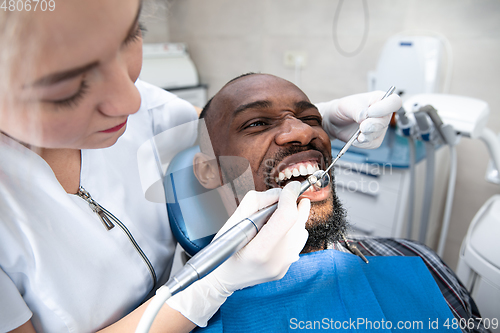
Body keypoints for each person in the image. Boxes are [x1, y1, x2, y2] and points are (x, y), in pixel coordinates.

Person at [0, 1, 401, 332]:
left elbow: (218, 130)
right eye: (69, 86)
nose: (131, 102)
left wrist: (320, 120)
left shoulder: (151, 109)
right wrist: (205, 287)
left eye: (130, 37)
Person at [184, 73, 489, 332]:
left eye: (311, 119)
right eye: (257, 123)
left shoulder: (419, 260)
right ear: (209, 170)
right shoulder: (186, 313)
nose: (304, 132)